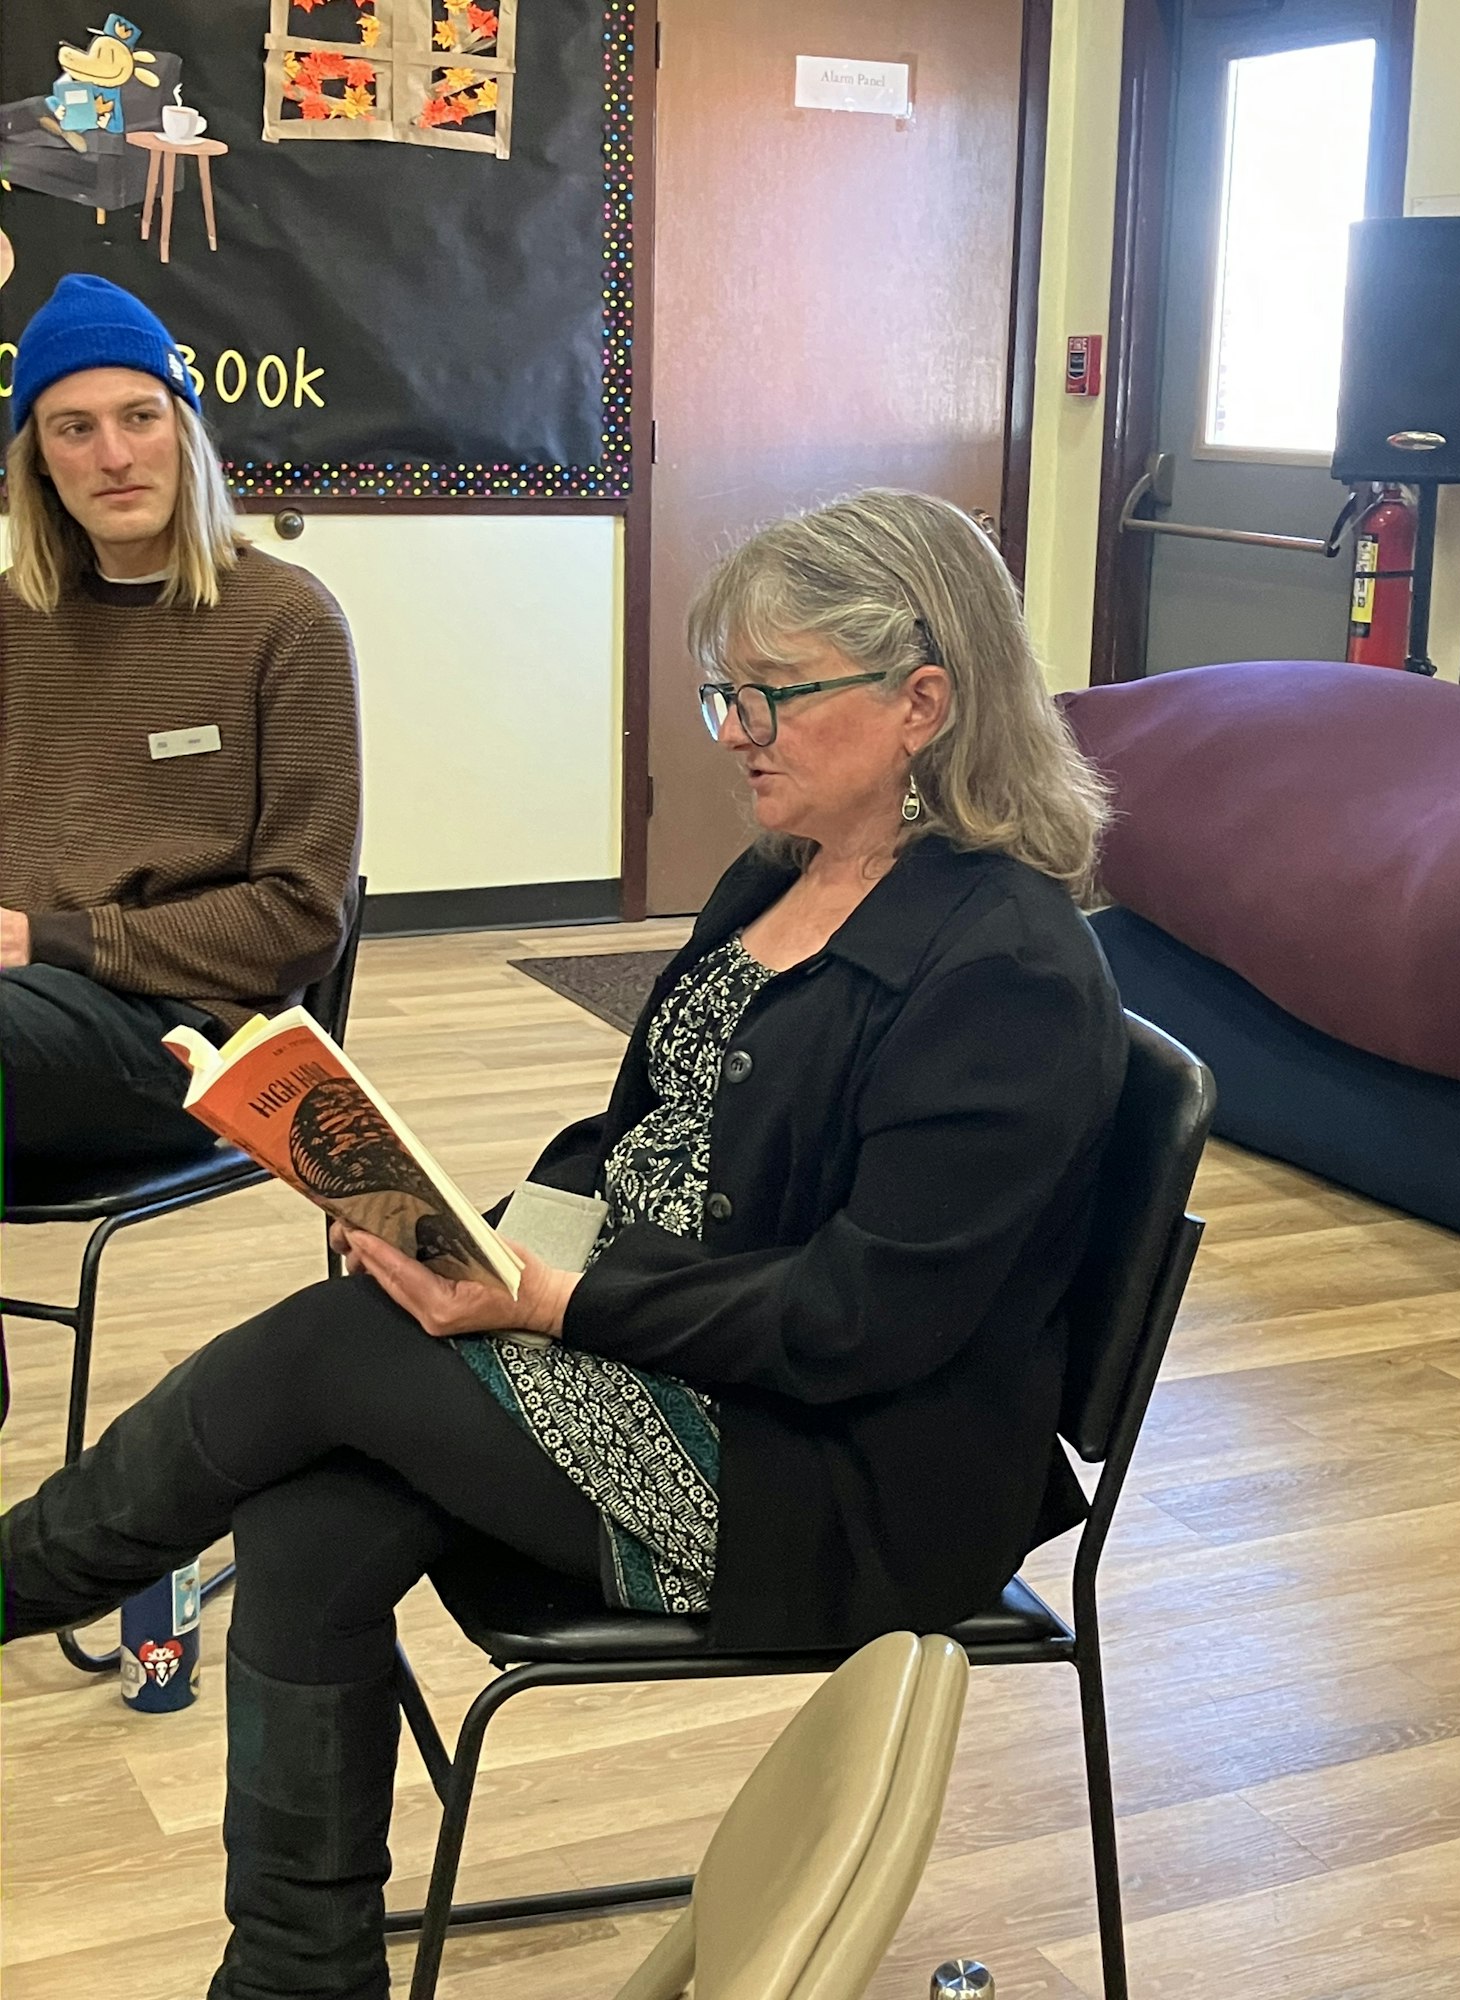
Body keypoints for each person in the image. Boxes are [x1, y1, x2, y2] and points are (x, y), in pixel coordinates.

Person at [1, 490, 1126, 2000]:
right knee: (315, 1513)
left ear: (923, 702)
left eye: (775, 694)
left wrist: (545, 1299)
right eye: (727, 690)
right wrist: (458, 1224)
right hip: (680, 1353)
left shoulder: (1008, 969)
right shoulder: (777, 874)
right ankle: (294, 1979)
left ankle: (25, 1580)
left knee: (334, 1356)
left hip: (825, 1466)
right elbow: (634, 1134)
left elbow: (861, 1321)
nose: (735, 731)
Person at [0, 274, 361, 1172]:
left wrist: (49, 938)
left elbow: (302, 919)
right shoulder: (10, 620)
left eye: (140, 417)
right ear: (38, 461)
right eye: (74, 429)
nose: (114, 455)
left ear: (185, 431)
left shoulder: (287, 622)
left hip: (194, 1035)